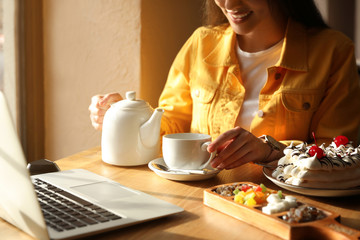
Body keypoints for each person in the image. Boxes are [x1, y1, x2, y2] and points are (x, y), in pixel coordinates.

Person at [89, 0, 360, 170]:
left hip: (281, 206)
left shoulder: (333, 51)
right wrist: (126, 118)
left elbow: (338, 152)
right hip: (200, 200)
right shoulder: (201, 43)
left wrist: (270, 151)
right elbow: (172, 124)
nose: (229, 3)